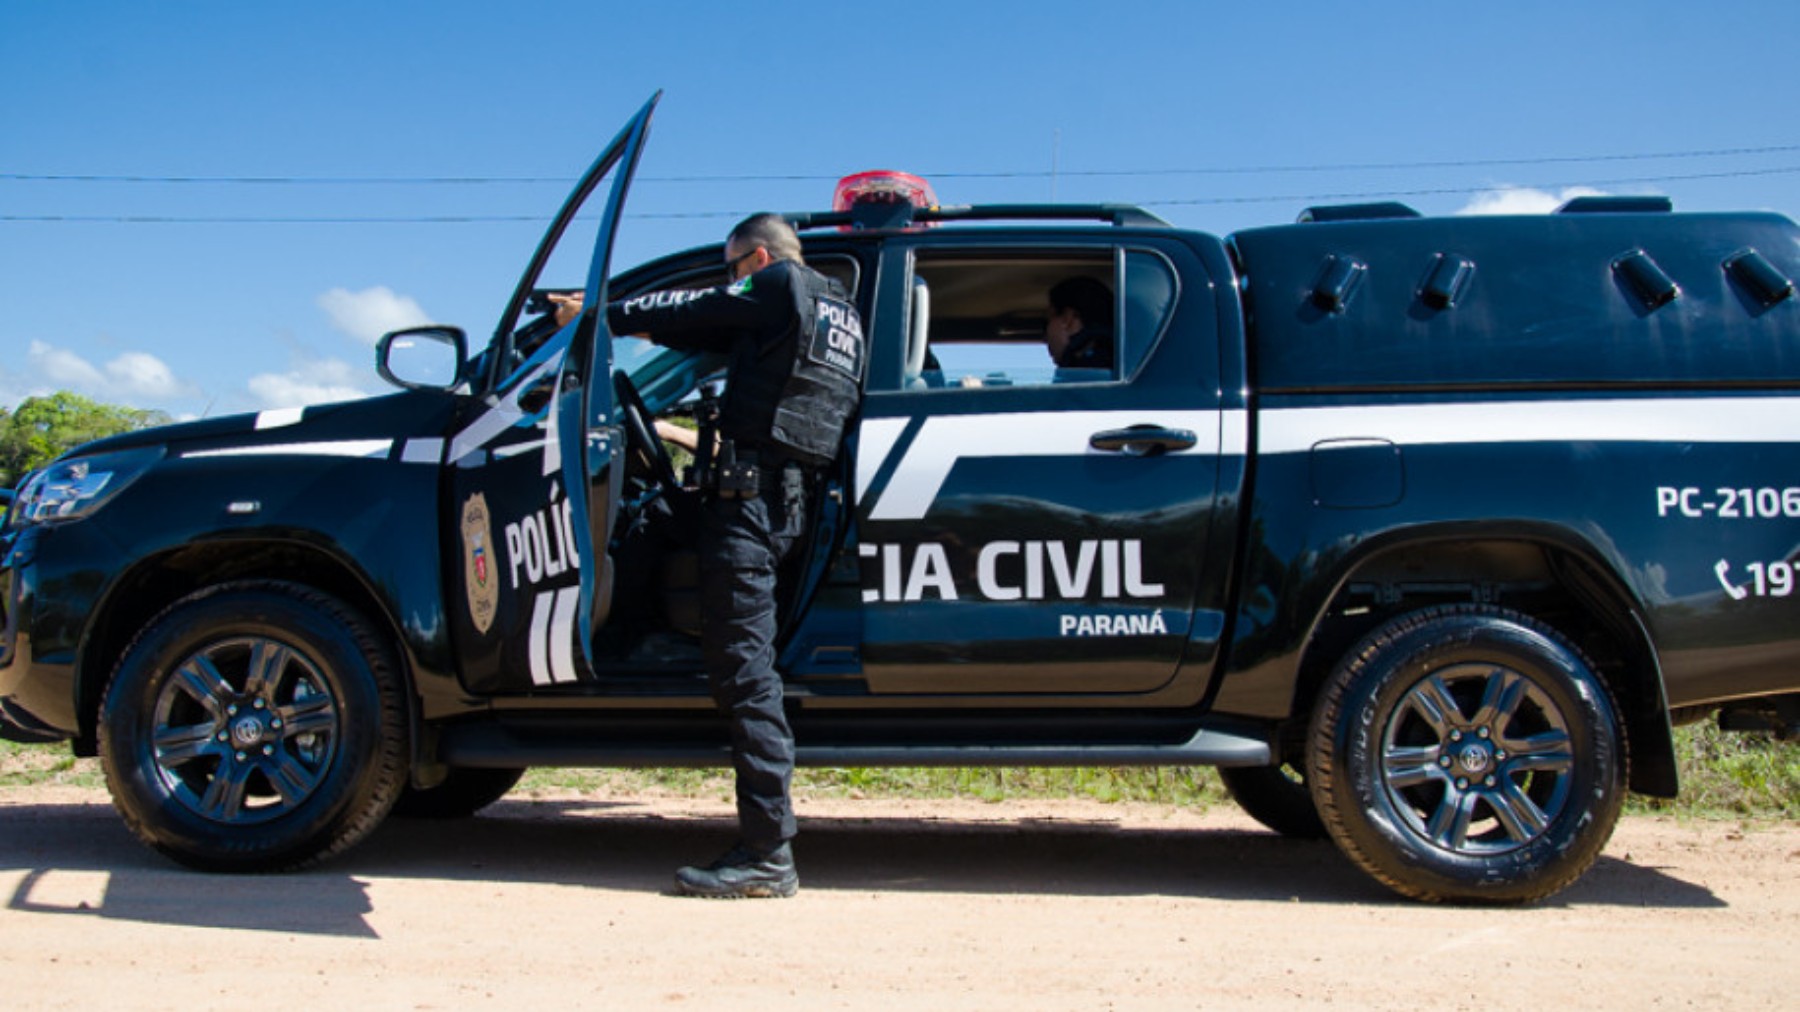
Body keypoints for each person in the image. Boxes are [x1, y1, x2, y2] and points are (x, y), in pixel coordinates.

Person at [575, 213, 865, 898]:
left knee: (745, 674)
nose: (729, 281)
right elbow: (704, 329)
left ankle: (768, 852)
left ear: (756, 258)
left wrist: (597, 314)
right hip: (777, 502)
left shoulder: (780, 285)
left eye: (731, 269)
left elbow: (692, 308)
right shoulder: (837, 312)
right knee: (654, 524)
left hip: (752, 507)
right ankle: (628, 640)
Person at [1044, 275, 1115, 371]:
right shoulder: (1116, 358)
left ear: (1067, 318)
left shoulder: (1084, 367)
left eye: (1049, 320)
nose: (1045, 339)